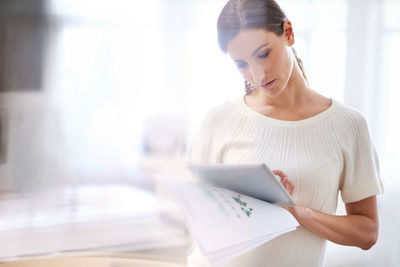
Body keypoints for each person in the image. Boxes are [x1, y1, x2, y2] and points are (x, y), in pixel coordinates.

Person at [187, 0, 383, 266]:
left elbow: (367, 232)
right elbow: (196, 220)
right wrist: (250, 204)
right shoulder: (218, 122)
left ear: (288, 33)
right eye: (241, 64)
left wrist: (294, 212)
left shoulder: (348, 124)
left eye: (263, 54)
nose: (256, 74)